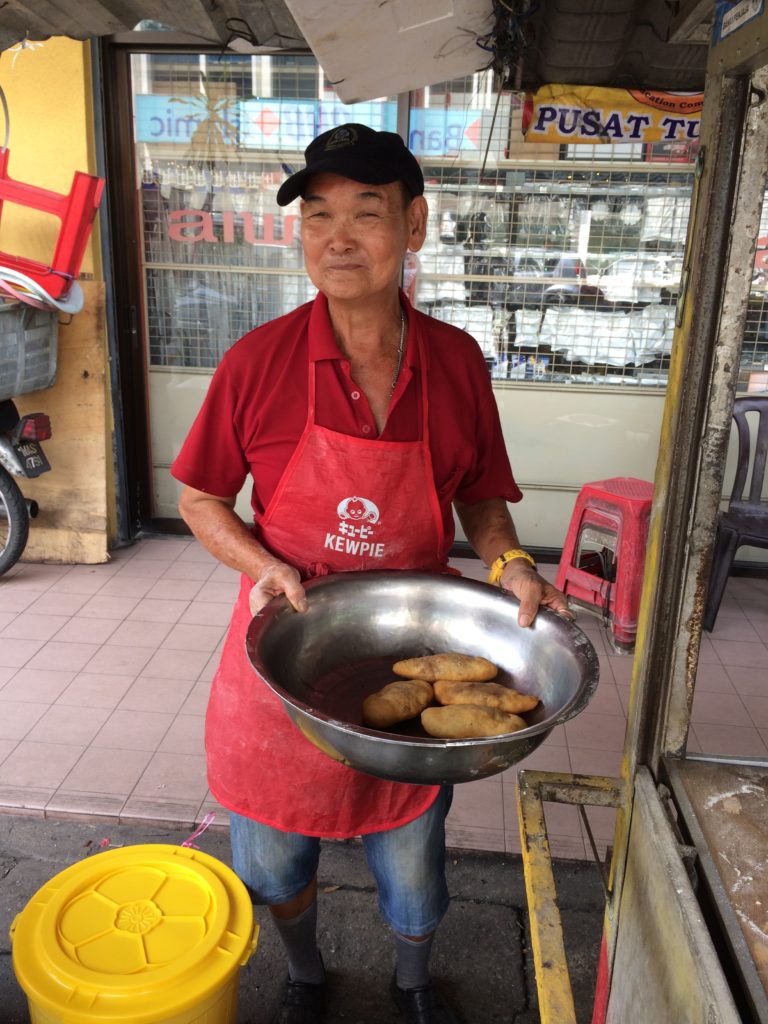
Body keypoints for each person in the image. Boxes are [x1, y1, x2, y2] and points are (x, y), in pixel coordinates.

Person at [171, 122, 570, 1024]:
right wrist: (262, 563)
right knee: (272, 865)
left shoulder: (459, 363)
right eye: (318, 216)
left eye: (365, 212)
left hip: (410, 656)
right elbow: (200, 499)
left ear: (415, 224)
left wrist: (508, 561)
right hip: (288, 647)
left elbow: (482, 500)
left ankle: (415, 982)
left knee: (414, 869)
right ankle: (307, 975)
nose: (338, 237)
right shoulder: (257, 363)